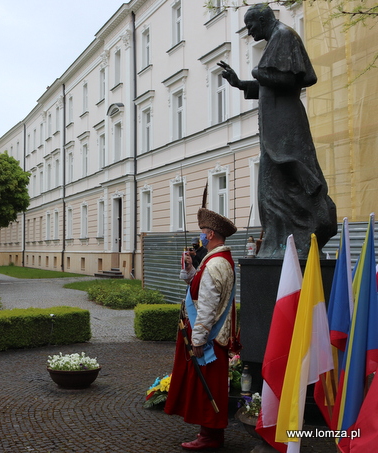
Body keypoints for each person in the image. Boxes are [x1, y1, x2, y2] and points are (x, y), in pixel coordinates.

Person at [218, 3, 336, 258]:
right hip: (275, 126)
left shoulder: (284, 35)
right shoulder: (276, 39)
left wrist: (258, 72)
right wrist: (241, 83)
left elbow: (298, 79)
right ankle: (277, 243)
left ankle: (303, 234)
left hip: (286, 123)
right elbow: (271, 85)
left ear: (263, 20)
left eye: (251, 26)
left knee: (289, 181)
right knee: (270, 191)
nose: (249, 32)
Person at [164, 207, 237, 450]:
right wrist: (189, 269)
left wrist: (198, 340)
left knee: (207, 387)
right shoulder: (218, 259)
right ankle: (211, 433)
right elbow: (199, 286)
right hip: (213, 337)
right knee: (210, 385)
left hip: (209, 340)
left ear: (212, 234)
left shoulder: (215, 263)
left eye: (203, 232)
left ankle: (209, 437)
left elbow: (206, 306)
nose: (201, 236)